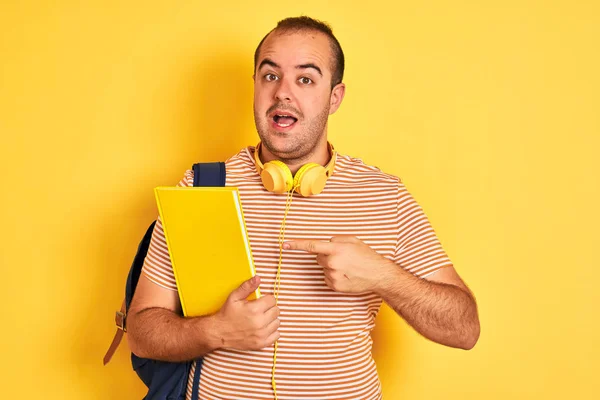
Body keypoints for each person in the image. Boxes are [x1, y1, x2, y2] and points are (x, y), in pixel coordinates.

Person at [127, 16, 480, 400]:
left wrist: (382, 275)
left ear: (335, 97)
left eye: (306, 79)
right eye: (270, 76)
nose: (283, 94)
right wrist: (216, 331)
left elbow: (464, 329)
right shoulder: (201, 187)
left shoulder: (385, 196)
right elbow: (143, 331)